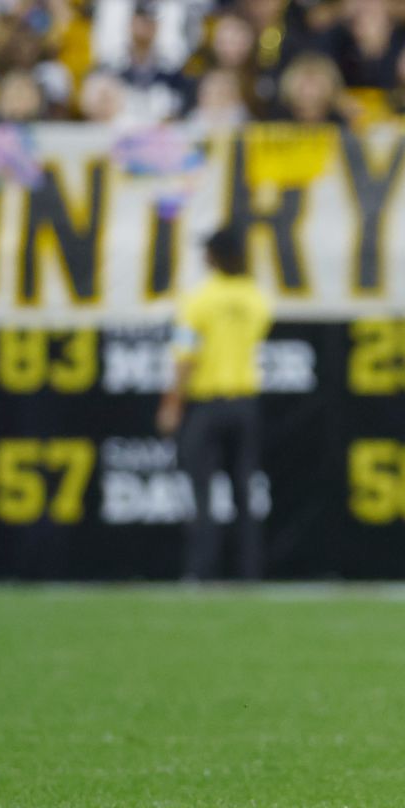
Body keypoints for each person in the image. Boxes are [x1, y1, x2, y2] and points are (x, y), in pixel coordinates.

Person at [157, 226, 273, 581]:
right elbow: (257, 332)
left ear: (216, 256)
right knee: (244, 491)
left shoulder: (200, 299)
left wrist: (172, 403)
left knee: (202, 491)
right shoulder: (256, 298)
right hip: (245, 403)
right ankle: (249, 572)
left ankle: (201, 572)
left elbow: (185, 355)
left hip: (207, 405)